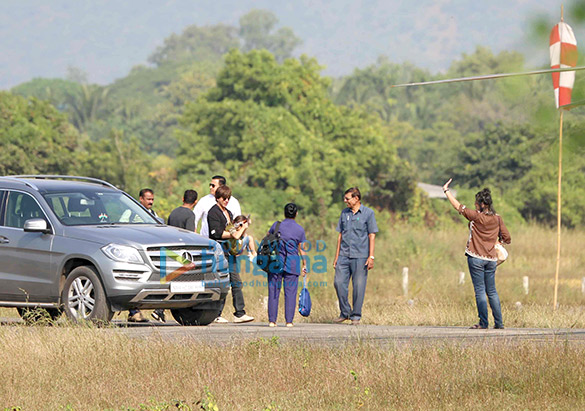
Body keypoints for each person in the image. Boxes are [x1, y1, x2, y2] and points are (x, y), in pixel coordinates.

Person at [443, 178, 511, 329]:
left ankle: (483, 323)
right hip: (491, 259)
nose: (474, 205)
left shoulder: (476, 216)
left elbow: (458, 207)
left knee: (480, 291)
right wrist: (498, 243)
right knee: (492, 291)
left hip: (475, 258)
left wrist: (446, 191)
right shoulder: (497, 218)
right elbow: (507, 238)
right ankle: (499, 324)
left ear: (481, 204)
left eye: (476, 203)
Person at [207, 185, 254, 324]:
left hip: (229, 250)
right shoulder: (213, 212)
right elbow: (216, 233)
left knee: (236, 281)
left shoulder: (228, 212)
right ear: (218, 198)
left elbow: (233, 230)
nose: (226, 200)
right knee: (222, 281)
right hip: (220, 249)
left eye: (228, 198)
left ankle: (239, 312)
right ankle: (217, 313)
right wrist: (234, 234)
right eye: (224, 198)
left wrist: (241, 228)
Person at [333, 187, 378, 325]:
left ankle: (356, 316)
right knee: (338, 283)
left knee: (359, 286)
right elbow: (340, 236)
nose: (345, 201)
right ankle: (345, 312)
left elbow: (372, 235)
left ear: (356, 198)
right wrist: (336, 257)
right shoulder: (344, 213)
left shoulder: (368, 213)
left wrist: (371, 257)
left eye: (347, 198)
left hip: (361, 256)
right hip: (344, 255)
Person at [152, 189, 198, 322]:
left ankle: (160, 310)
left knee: (170, 280)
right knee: (181, 283)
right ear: (195, 202)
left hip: (171, 251)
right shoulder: (190, 214)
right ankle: (161, 309)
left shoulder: (174, 212)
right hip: (183, 253)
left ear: (183, 199)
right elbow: (189, 235)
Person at [266, 203, 307, 327]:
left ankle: (272, 321)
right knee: (290, 293)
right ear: (296, 214)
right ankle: (289, 322)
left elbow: (268, 239)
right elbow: (302, 249)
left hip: (275, 262)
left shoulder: (276, 225)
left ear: (284, 213)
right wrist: (305, 264)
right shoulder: (300, 230)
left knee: (273, 291)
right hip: (292, 263)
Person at [128, 188, 158, 322]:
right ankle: (134, 312)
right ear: (140, 199)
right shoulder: (130, 213)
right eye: (148, 199)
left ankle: (135, 312)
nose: (151, 202)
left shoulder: (152, 214)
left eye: (152, 199)